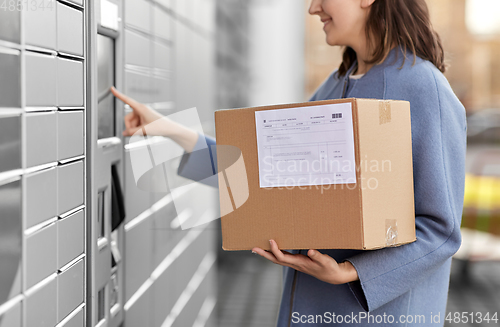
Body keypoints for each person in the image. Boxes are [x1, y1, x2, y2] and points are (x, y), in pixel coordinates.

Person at [111, 0, 466, 325]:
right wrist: (164, 127)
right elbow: (256, 174)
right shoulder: (335, 85)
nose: (313, 8)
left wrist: (351, 271)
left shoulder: (424, 88)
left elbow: (441, 230)